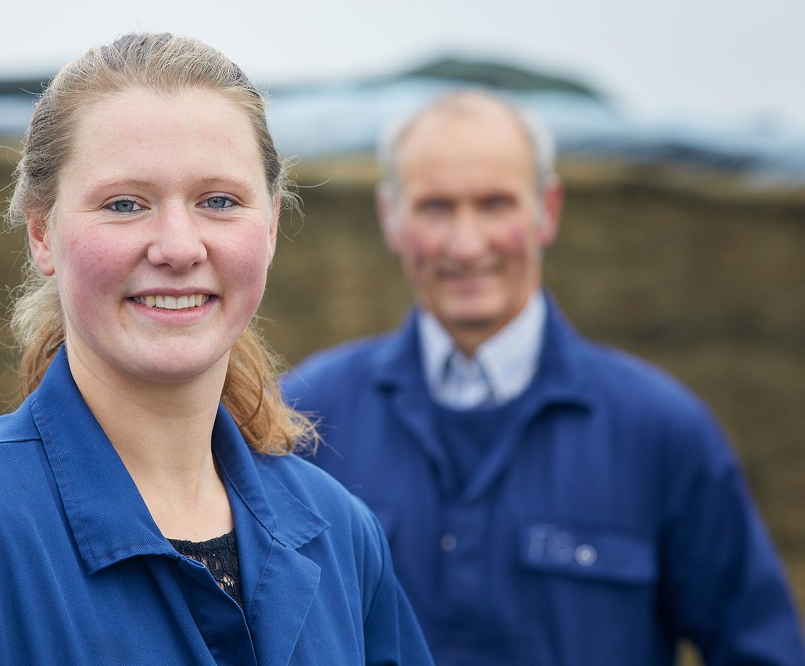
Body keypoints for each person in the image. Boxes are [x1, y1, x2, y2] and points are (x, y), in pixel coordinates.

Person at [0, 32, 434, 665]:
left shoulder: (341, 540)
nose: (179, 246)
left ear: (270, 226)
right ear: (41, 234)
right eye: (125, 204)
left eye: (219, 201)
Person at [282, 90, 805, 665]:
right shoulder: (309, 417)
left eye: (495, 204)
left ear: (547, 209)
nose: (466, 243)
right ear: (391, 218)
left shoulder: (661, 432)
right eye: (436, 207)